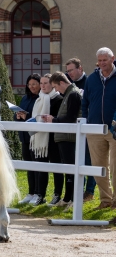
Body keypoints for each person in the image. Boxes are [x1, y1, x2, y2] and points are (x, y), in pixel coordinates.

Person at [82, 47, 116, 209]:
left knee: (115, 166)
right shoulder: (92, 79)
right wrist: (86, 121)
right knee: (98, 167)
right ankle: (106, 200)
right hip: (94, 128)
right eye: (100, 60)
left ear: (112, 59)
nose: (102, 63)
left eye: (105, 60)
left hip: (114, 128)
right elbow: (85, 102)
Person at [44, 72, 83, 207]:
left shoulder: (73, 94)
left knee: (71, 169)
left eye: (56, 87)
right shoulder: (69, 94)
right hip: (66, 136)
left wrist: (53, 120)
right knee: (68, 169)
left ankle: (72, 199)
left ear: (61, 83)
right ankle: (67, 199)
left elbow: (71, 117)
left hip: (69, 137)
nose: (56, 90)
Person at [28, 74, 62, 205]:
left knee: (56, 168)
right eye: (41, 83)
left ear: (52, 84)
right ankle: (40, 195)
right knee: (41, 167)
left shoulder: (58, 99)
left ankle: (57, 194)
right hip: (39, 139)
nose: (43, 86)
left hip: (53, 138)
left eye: (46, 83)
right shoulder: (39, 99)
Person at [66, 57, 96, 200]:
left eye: (72, 70)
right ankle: (79, 190)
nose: (69, 73)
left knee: (90, 160)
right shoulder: (69, 84)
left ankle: (89, 191)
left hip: (89, 125)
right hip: (75, 128)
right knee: (79, 160)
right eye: (68, 71)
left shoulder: (89, 82)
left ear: (80, 68)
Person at [15, 74, 42, 204]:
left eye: (34, 84)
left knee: (37, 165)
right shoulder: (25, 98)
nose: (31, 87)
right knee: (28, 165)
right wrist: (18, 116)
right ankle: (30, 193)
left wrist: (27, 116)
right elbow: (18, 116)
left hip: (36, 137)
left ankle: (38, 193)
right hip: (24, 136)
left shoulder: (41, 98)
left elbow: (37, 117)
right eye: (29, 84)